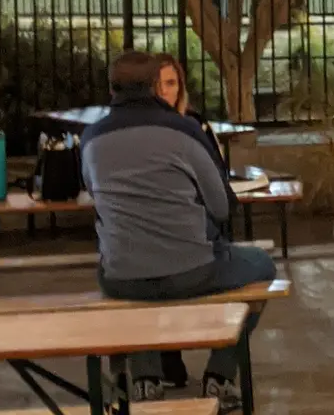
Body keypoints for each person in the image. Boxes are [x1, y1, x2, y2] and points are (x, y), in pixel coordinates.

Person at [82, 51, 275, 410]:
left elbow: (95, 195)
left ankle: (145, 380)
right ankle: (219, 377)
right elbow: (221, 206)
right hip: (192, 270)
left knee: (131, 276)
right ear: (153, 87)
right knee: (263, 265)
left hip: (122, 278)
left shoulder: (91, 138)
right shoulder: (183, 130)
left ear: (111, 89)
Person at [152, 52, 241, 391]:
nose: (165, 92)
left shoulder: (196, 125)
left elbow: (218, 185)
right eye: (158, 85)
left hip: (197, 229)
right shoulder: (141, 131)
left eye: (171, 83)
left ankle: (217, 374)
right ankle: (164, 364)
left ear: (181, 87)